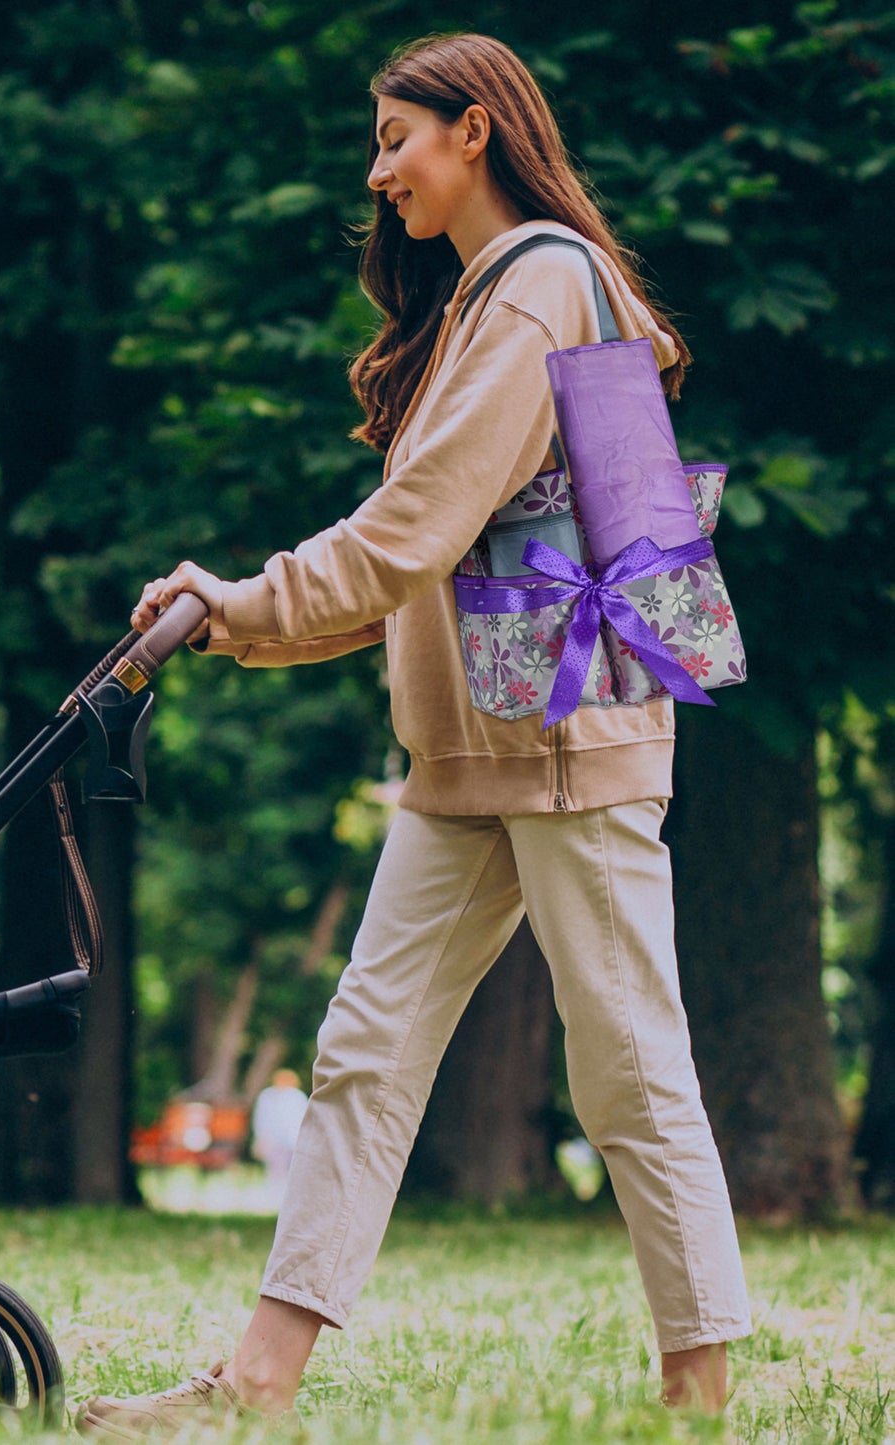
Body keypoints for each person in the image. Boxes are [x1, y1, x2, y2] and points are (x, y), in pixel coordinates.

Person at [76, 31, 749, 1435]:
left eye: (397, 137)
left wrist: (233, 596)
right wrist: (239, 618)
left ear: (476, 132)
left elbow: (409, 531)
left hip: (563, 748)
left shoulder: (539, 289)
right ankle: (256, 1384)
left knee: (625, 1062)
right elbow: (412, 563)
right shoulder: (495, 297)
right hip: (469, 756)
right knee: (364, 1054)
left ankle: (700, 1394)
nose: (378, 172)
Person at [250, 1068, 309, 1186]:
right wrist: (261, 1138)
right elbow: (261, 1119)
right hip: (274, 1140)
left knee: (293, 1169)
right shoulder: (267, 1096)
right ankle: (275, 1193)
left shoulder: (297, 1096)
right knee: (275, 1169)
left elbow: (302, 1119)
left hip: (293, 1139)